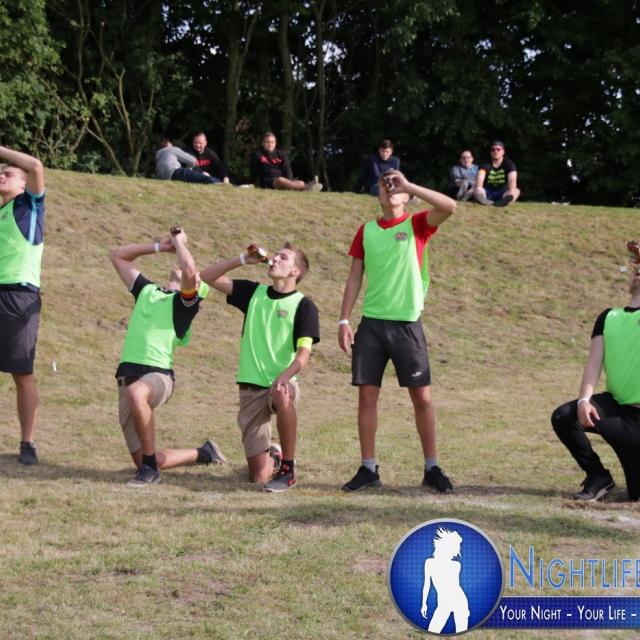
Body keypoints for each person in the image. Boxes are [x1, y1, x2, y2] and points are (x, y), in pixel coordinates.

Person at [338, 169, 456, 492]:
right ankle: (368, 468)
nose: (390, 188)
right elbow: (354, 277)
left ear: (406, 196)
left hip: (407, 324)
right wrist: (344, 320)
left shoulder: (417, 224)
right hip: (372, 325)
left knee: (422, 397)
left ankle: (432, 467)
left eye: (396, 185)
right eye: (384, 184)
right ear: (378, 195)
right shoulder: (366, 231)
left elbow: (449, 207)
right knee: (366, 396)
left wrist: (410, 184)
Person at [110, 227, 227, 486]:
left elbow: (189, 270)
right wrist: (159, 247)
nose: (188, 274)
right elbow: (118, 255)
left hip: (158, 376)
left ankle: (150, 470)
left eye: (193, 279)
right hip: (126, 378)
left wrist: (179, 242)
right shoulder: (148, 292)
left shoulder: (183, 305)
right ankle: (203, 453)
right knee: (144, 457)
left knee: (137, 394)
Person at [201, 243, 320, 492]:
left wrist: (284, 377)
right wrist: (243, 259)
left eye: (283, 257)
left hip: (283, 383)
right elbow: (206, 276)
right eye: (275, 255)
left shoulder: (304, 305)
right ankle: (275, 454)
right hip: (250, 389)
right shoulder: (252, 293)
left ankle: (287, 469)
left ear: (295, 271)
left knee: (282, 393)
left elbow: (303, 356)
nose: (275, 259)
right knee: (259, 476)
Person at [551, 262, 640, 502]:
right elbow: (594, 362)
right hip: (617, 411)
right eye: (636, 270)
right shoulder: (609, 317)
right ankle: (598, 476)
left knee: (637, 496)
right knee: (564, 416)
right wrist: (584, 400)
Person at [0, 145, 45, 465]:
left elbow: (36, 166)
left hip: (19, 296)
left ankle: (27, 443)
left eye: (8, 173)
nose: (1, 177)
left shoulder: (29, 206)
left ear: (23, 183)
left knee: (21, 373)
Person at [249, 132, 322, 192]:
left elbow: (287, 170)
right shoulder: (257, 154)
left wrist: (291, 181)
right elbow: (253, 171)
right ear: (263, 143)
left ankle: (304, 188)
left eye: (272, 142)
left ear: (275, 143)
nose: (270, 144)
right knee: (280, 180)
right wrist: (251, 183)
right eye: (267, 142)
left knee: (300, 182)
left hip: (283, 180)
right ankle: (307, 187)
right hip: (268, 182)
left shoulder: (281, 155)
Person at [155, 135, 220, 184]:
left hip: (168, 178)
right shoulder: (172, 149)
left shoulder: (158, 158)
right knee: (205, 179)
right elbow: (192, 160)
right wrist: (189, 168)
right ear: (167, 144)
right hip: (177, 172)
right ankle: (219, 183)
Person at [475, 141, 520, 206]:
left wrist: (511, 191)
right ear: (491, 152)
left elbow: (512, 180)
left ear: (503, 152)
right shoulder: (484, 164)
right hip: (487, 191)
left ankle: (503, 201)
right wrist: (479, 188)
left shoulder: (509, 164)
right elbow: (480, 178)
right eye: (493, 150)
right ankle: (484, 200)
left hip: (503, 192)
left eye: (498, 149)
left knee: (516, 191)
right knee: (478, 190)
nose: (495, 151)